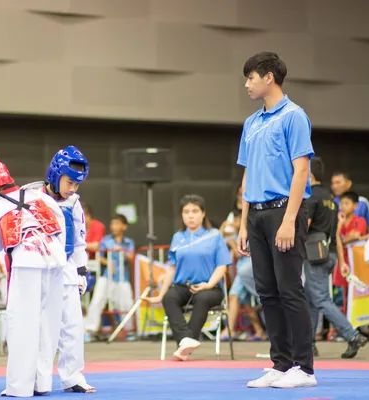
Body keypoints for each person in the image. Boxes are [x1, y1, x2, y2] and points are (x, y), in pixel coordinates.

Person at [236, 52, 316, 389]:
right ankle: (281, 364)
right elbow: (246, 176)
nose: (246, 84)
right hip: (255, 215)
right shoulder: (251, 123)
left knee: (290, 291)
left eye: (250, 77)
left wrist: (289, 219)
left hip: (284, 212)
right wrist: (242, 223)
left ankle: (305, 369)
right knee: (267, 294)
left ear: (269, 77)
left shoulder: (294, 116)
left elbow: (301, 170)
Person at [0, 157, 67, 398]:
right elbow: (60, 229)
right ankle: (42, 382)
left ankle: (20, 387)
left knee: (21, 324)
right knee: (49, 324)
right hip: (56, 261)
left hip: (26, 263)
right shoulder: (39, 195)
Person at [143, 195, 230, 360]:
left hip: (210, 287)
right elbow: (172, 267)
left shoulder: (214, 235)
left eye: (195, 211)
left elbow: (222, 266)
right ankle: (186, 341)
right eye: (186, 212)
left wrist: (208, 284)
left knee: (203, 298)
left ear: (203, 214)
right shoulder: (178, 237)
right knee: (169, 297)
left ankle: (185, 343)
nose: (190, 215)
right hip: (183, 286)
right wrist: (161, 294)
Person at [304, 158, 368, 359]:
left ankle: (353, 336)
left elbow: (303, 228)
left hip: (315, 255)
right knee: (311, 298)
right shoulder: (331, 200)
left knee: (321, 299)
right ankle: (309, 343)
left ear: (309, 174)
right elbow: (336, 235)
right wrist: (341, 261)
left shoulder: (311, 198)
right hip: (329, 254)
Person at [44, 145, 94, 393]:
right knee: (41, 328)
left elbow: (80, 241)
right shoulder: (32, 197)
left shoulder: (73, 202)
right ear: (55, 174)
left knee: (73, 326)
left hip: (66, 268)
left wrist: (81, 271)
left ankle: (72, 376)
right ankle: (34, 377)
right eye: (69, 182)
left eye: (77, 184)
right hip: (39, 270)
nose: (72, 188)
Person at [83, 214, 135, 342]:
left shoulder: (128, 242)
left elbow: (132, 257)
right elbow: (99, 256)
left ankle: (128, 330)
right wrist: (108, 263)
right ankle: (90, 330)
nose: (114, 227)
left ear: (124, 226)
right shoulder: (106, 240)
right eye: (113, 224)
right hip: (106, 276)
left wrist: (121, 251)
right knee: (98, 300)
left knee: (126, 302)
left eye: (118, 224)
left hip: (122, 277)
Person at [221, 210, 266, 341]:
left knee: (233, 295)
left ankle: (229, 329)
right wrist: (223, 228)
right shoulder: (235, 235)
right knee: (246, 305)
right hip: (242, 272)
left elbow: (239, 253)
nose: (234, 223)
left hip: (248, 271)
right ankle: (259, 331)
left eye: (236, 220)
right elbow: (218, 240)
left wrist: (232, 244)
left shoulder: (247, 233)